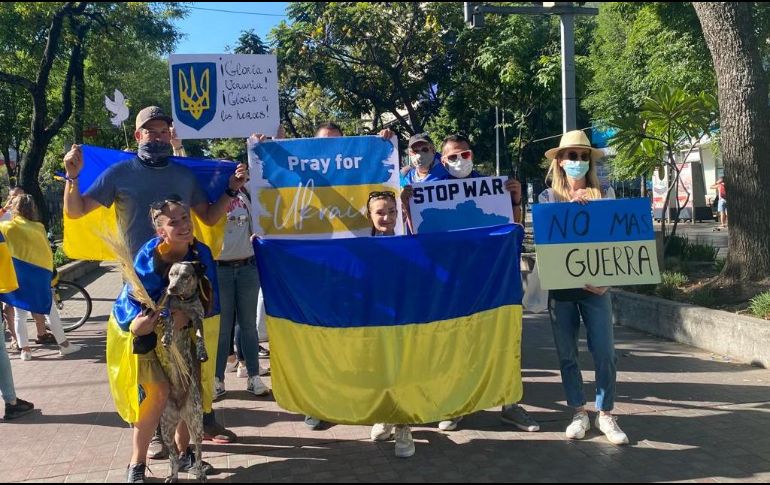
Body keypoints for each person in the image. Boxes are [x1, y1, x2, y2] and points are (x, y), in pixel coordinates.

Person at [63, 106, 243, 446]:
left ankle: (202, 420)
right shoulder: (119, 173)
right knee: (150, 363)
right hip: (142, 286)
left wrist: (232, 189)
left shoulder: (183, 176)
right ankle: (156, 432)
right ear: (138, 136)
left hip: (184, 282)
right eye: (151, 131)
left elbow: (207, 215)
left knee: (190, 357)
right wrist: (72, 177)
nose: (157, 137)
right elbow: (75, 210)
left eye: (163, 132)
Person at [400, 133, 537, 433]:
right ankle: (454, 406)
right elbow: (416, 239)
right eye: (452, 157)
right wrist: (408, 207)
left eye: (465, 154)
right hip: (448, 283)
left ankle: (510, 404)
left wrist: (515, 200)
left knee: (501, 340)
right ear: (442, 159)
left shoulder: (491, 189)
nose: (459, 160)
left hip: (487, 280)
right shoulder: (427, 191)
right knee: (453, 345)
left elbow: (512, 230)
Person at [538, 129, 629, 446]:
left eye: (582, 156)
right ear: (560, 161)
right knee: (567, 354)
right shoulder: (547, 199)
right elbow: (546, 243)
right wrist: (567, 210)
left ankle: (605, 413)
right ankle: (578, 411)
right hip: (562, 291)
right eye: (571, 155)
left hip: (597, 289)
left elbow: (619, 243)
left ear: (588, 161)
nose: (576, 160)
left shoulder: (606, 194)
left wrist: (608, 279)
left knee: (605, 352)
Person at [120, 199, 218, 482]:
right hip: (146, 331)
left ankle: (184, 453)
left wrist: (186, 317)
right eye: (174, 222)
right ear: (161, 231)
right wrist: (154, 320)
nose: (185, 225)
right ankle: (136, 465)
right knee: (157, 394)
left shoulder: (201, 253)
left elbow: (208, 296)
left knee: (184, 392)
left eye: (186, 218)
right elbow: (136, 297)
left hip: (182, 336)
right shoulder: (149, 255)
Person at [1, 195, 82, 361]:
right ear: (33, 209)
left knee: (19, 314)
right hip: (38, 276)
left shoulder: (7, 227)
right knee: (50, 311)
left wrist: (4, 209)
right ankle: (64, 346)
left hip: (19, 275)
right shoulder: (39, 228)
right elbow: (45, 254)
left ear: (14, 208)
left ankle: (26, 351)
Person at [365, 190, 415, 458]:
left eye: (392, 211)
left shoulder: (409, 243)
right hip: (375, 323)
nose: (387, 217)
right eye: (380, 212)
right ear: (370, 216)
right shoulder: (361, 247)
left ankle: (404, 427)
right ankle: (385, 416)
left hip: (406, 320)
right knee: (381, 372)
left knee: (403, 372)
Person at [213, 179, 270, 400]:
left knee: (248, 326)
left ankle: (253, 376)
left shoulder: (246, 195)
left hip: (247, 266)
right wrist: (178, 147)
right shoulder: (211, 198)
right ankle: (217, 379)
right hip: (221, 269)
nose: (234, 177)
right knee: (222, 328)